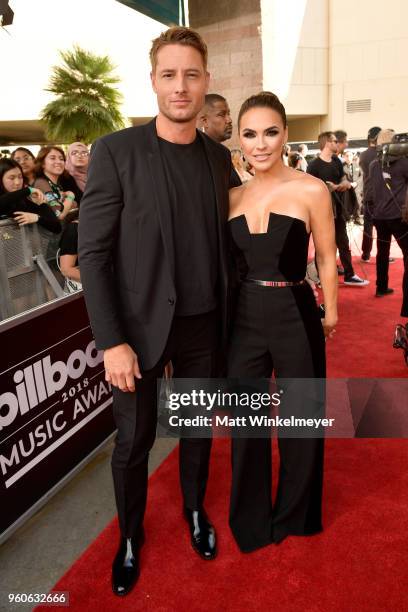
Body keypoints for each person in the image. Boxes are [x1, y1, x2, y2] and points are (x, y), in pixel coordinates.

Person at [78, 26, 239, 596]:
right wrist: (111, 341)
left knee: (197, 430)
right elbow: (93, 255)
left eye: (190, 75)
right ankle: (129, 536)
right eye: (169, 75)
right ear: (153, 82)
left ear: (205, 83)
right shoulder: (116, 152)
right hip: (138, 332)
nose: (180, 86)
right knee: (134, 441)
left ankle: (195, 510)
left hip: (204, 327)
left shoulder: (221, 159)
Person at [227, 91, 338, 552]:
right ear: (239, 139)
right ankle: (250, 520)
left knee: (301, 420)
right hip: (243, 319)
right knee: (245, 423)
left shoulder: (312, 189)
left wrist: (332, 309)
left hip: (296, 312)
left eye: (270, 132)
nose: (260, 143)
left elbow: (329, 259)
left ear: (286, 134)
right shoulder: (230, 195)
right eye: (250, 133)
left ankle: (295, 514)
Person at [307, 132, 369, 286]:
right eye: (335, 141)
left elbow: (342, 177)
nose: (338, 143)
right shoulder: (314, 165)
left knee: (343, 242)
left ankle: (350, 274)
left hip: (338, 209)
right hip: (321, 212)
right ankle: (321, 278)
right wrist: (327, 188)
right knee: (323, 246)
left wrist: (342, 184)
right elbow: (308, 189)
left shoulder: (336, 161)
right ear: (328, 143)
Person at [366, 129, 408, 308]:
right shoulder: (402, 163)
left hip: (380, 216)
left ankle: (381, 287)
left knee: (382, 253)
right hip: (398, 216)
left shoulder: (374, 165)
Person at [0, 158, 61, 234]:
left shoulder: (22, 201)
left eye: (20, 177)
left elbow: (57, 227)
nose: (17, 182)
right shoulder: (6, 199)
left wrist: (40, 206)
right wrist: (29, 190)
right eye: (11, 178)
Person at [33, 146, 78, 222]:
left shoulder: (56, 184)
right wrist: (70, 196)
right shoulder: (41, 183)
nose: (59, 162)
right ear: (42, 164)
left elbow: (75, 205)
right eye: (52, 158)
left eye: (61, 159)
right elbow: (59, 214)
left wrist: (65, 204)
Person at [359, 126, 381, 262]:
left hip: (368, 194)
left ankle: (365, 254)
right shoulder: (381, 154)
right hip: (380, 195)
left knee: (367, 226)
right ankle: (382, 254)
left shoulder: (363, 155)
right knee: (384, 228)